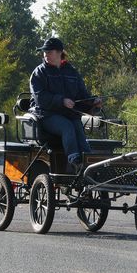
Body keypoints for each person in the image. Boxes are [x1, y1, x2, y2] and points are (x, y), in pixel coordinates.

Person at [29, 37, 101, 172]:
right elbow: (40, 98)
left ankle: (89, 164)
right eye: (44, 52)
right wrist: (61, 100)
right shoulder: (39, 73)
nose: (45, 55)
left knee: (78, 127)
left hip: (68, 114)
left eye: (49, 52)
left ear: (60, 52)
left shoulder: (72, 72)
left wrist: (93, 103)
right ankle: (75, 162)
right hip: (45, 115)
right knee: (67, 127)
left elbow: (81, 95)